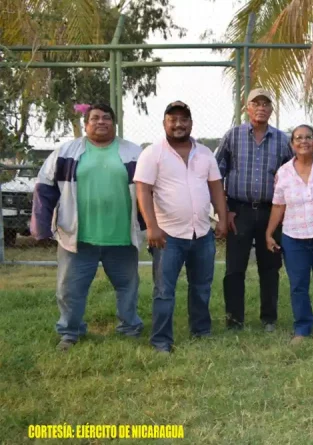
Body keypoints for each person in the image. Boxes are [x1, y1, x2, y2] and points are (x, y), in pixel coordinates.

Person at [31, 103, 145, 351]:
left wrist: (149, 228)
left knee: (128, 287)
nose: (101, 122)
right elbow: (44, 187)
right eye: (94, 118)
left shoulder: (134, 153)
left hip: (122, 237)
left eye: (106, 118)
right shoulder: (66, 152)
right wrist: (40, 225)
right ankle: (70, 332)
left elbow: (149, 192)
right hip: (78, 238)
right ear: (86, 124)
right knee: (69, 289)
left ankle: (129, 328)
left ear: (114, 123)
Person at [134, 101, 228, 353]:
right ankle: (161, 340)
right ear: (164, 123)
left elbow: (216, 187)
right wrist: (151, 227)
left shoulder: (205, 153)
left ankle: (201, 331)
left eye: (183, 119)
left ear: (191, 123)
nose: (178, 124)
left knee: (201, 286)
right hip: (167, 236)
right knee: (164, 290)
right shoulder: (152, 153)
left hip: (202, 233)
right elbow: (143, 190)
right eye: (172, 119)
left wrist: (222, 217)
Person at [215, 88, 293, 331]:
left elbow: (291, 175)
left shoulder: (282, 140)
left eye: (266, 104)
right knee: (235, 267)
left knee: (270, 267)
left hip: (272, 212)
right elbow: (217, 175)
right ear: (247, 108)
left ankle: (268, 318)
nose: (261, 108)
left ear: (271, 109)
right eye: (255, 103)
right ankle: (234, 319)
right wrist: (224, 210)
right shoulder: (233, 136)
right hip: (239, 211)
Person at [265, 125, 313, 345]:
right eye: (298, 138)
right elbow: (278, 206)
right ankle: (302, 328)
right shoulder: (284, 172)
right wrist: (269, 233)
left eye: (308, 137)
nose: (303, 141)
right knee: (298, 285)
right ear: (292, 144)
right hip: (294, 238)